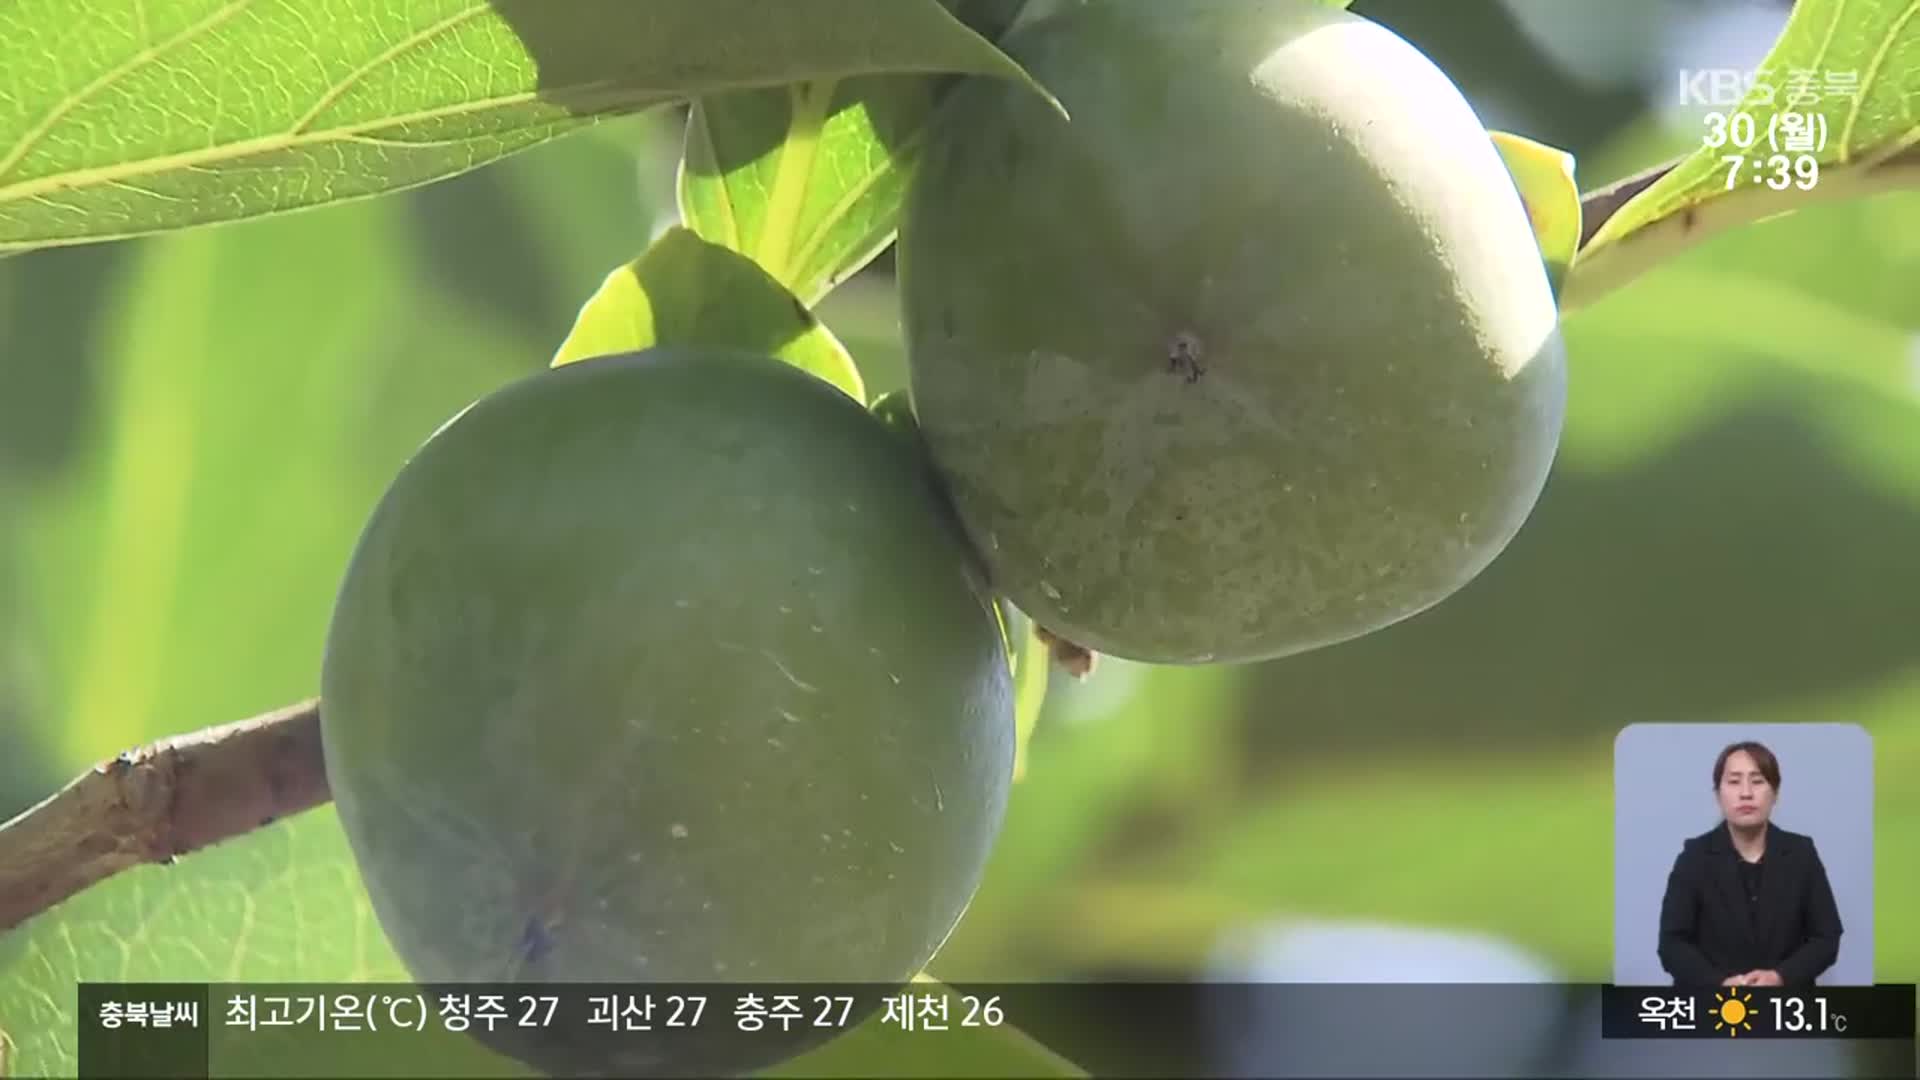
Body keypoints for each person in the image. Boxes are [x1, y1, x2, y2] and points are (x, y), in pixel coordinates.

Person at [1657, 741, 1844, 988]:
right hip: (1713, 1009)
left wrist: (1780, 977)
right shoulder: (1694, 857)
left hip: (1786, 1009)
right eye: (1734, 782)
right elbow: (1672, 944)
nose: (1746, 793)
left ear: (1775, 792)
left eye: (1757, 781)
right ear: (1718, 794)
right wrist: (1719, 984)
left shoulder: (1801, 854)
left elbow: (1826, 938)